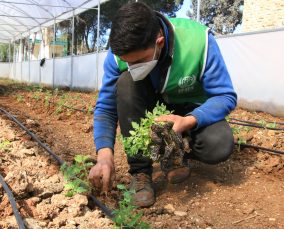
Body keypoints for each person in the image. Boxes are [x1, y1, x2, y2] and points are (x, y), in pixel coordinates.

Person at [89, 2, 237, 207]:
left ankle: (176, 151)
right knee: (125, 83)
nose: (131, 67)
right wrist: (104, 155)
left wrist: (189, 121)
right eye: (127, 62)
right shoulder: (118, 54)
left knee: (218, 145)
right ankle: (141, 173)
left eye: (138, 61)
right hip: (149, 105)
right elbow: (106, 107)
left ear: (159, 41)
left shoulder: (198, 42)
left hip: (189, 109)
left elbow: (225, 96)